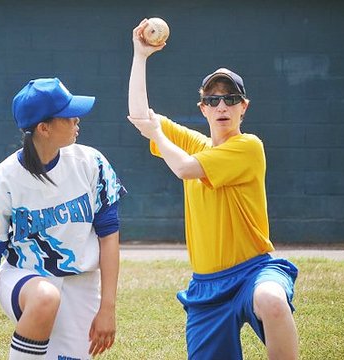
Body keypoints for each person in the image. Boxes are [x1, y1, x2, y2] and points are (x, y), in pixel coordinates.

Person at [126, 19, 299, 360]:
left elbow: (185, 169)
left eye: (231, 99)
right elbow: (139, 117)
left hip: (253, 270)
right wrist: (140, 56)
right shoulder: (196, 143)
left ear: (243, 107)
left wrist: (159, 136)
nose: (222, 106)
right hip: (208, 286)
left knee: (273, 301)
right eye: (213, 99)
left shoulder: (249, 146)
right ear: (202, 108)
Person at [0, 77, 127, 360]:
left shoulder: (91, 163)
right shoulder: (4, 180)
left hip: (81, 283)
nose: (77, 120)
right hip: (26, 281)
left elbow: (109, 237)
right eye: (68, 115)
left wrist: (108, 308)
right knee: (45, 297)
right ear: (44, 128)